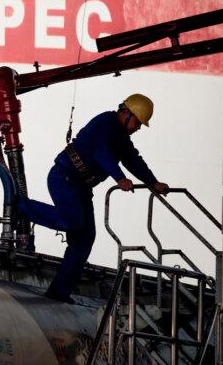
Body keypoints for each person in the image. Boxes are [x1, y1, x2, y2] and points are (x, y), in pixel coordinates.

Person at [16, 94, 171, 303]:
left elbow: (133, 160)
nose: (138, 128)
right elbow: (101, 153)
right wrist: (119, 178)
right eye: (137, 122)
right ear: (126, 113)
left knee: (84, 239)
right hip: (65, 177)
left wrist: (153, 182)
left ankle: (59, 292)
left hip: (81, 187)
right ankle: (21, 207)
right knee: (71, 220)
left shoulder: (122, 138)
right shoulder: (105, 123)